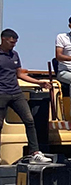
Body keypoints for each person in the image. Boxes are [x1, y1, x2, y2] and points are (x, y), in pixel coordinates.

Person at [0, 29, 53, 164]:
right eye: (11, 42)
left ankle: (35, 152)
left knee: (29, 120)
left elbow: (20, 74)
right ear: (4, 39)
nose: (13, 45)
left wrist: (39, 82)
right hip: (2, 93)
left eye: (15, 43)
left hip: (16, 93)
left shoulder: (15, 55)